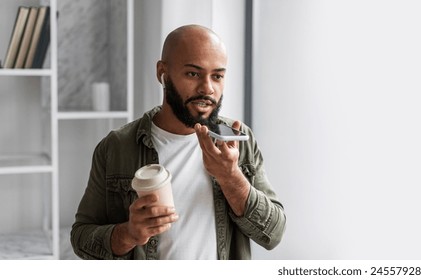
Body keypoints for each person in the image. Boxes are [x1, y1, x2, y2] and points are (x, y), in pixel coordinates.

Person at [70, 24, 286, 260]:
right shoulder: (116, 147)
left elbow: (273, 234)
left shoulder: (238, 140)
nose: (207, 88)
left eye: (217, 76)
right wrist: (129, 234)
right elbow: (81, 238)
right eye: (193, 74)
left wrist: (231, 177)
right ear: (162, 73)